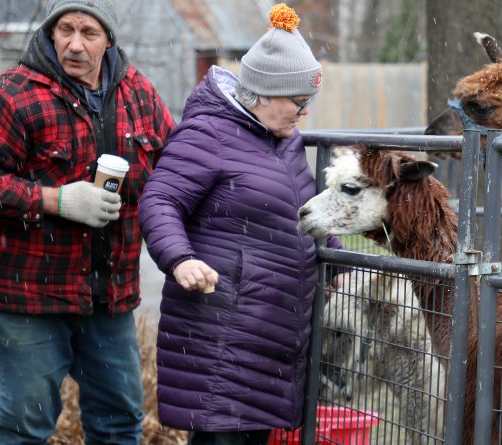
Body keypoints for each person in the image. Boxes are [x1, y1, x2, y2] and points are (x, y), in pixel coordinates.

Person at [0, 0, 175, 443]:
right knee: (25, 427)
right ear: (51, 34)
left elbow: (172, 167)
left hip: (108, 299)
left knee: (119, 423)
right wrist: (54, 200)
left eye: (88, 33)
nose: (75, 44)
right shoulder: (12, 93)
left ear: (108, 40)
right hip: (29, 299)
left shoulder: (138, 93)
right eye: (65, 31)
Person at [139, 4, 346, 445]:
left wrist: (337, 258)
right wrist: (180, 260)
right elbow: (160, 199)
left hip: (269, 339)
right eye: (299, 101)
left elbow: (300, 208)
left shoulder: (282, 142)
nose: (304, 112)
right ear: (266, 93)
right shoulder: (209, 134)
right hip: (224, 334)